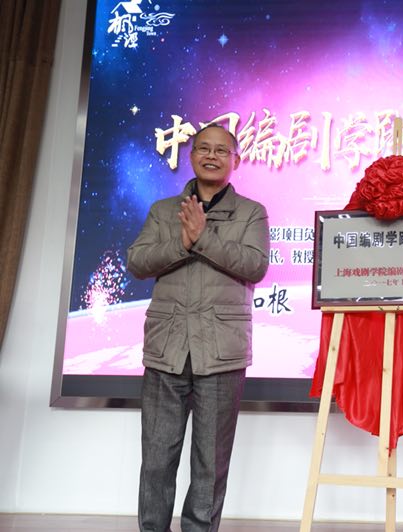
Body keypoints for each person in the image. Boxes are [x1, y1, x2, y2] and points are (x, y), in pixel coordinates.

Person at [127, 123, 269, 532]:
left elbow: (255, 265)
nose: (211, 156)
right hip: (166, 350)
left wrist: (203, 238)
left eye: (221, 150)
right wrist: (182, 243)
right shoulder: (163, 211)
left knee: (210, 465)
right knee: (157, 459)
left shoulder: (251, 212)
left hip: (221, 353)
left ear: (235, 160)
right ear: (190, 156)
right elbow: (137, 262)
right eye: (203, 148)